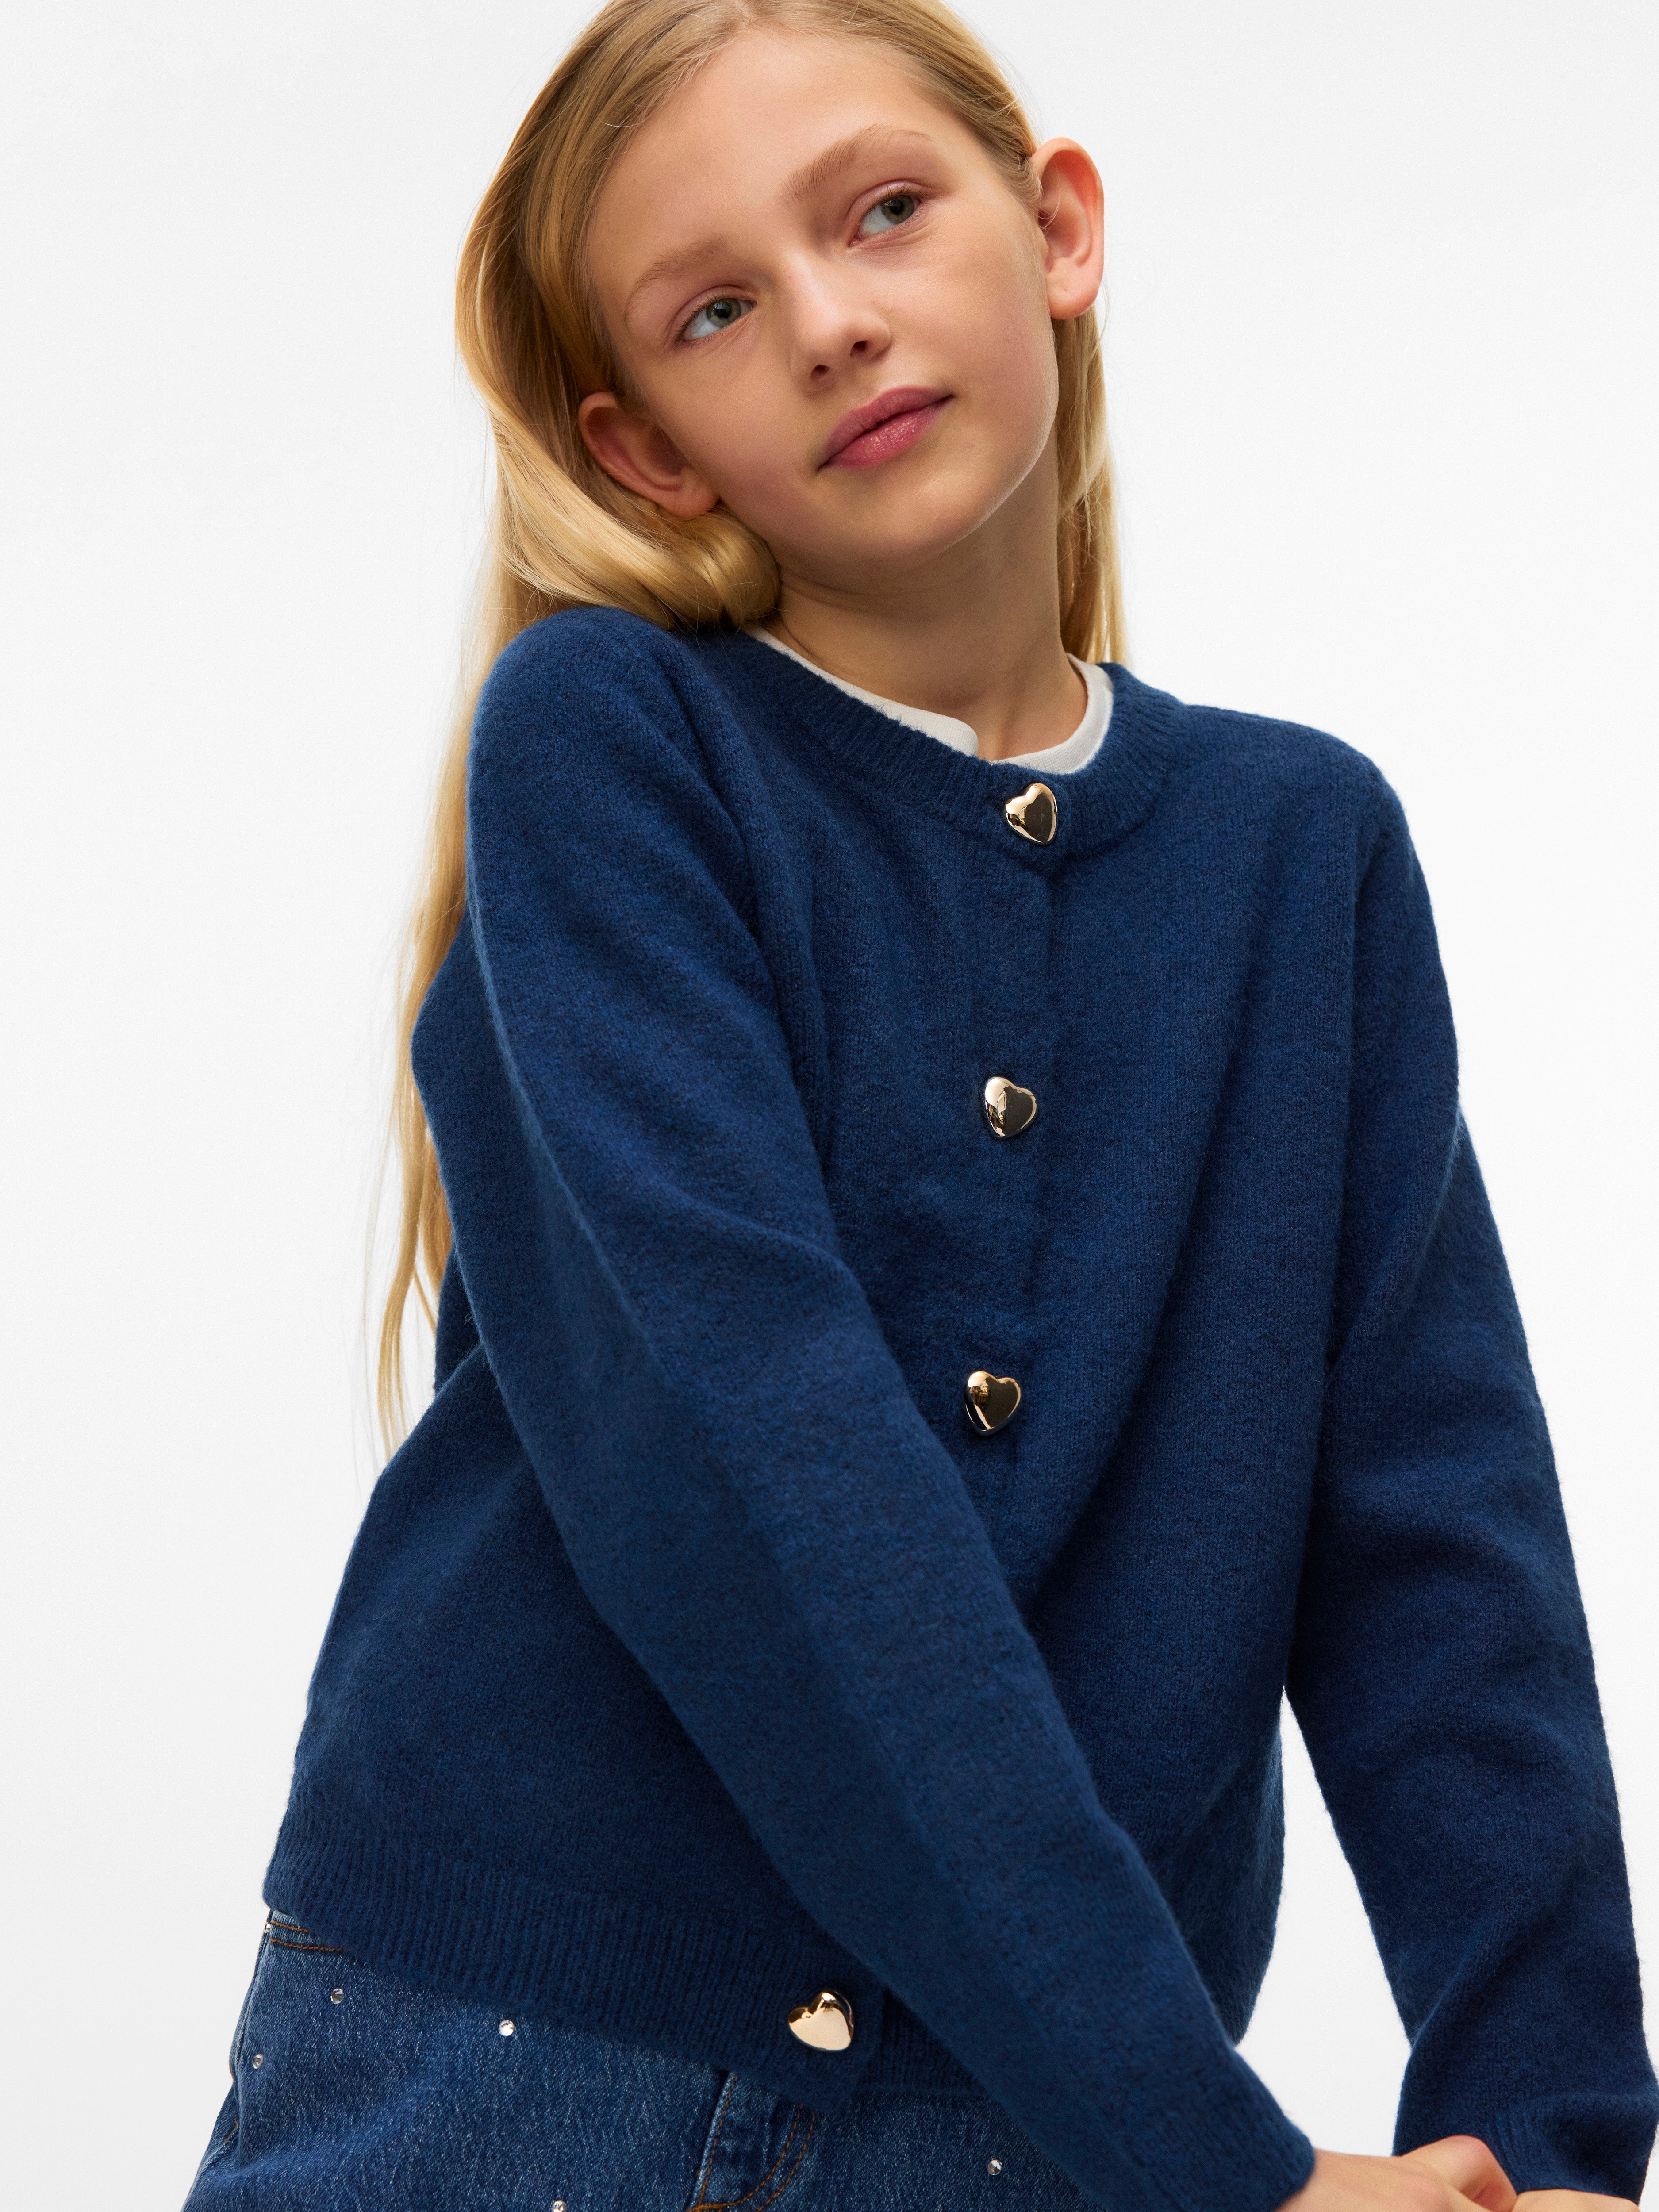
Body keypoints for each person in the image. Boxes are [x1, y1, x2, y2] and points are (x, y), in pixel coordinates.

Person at [179, 1, 1656, 2207]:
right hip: (520, 2062)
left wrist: (1553, 2138)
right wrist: (1215, 2161)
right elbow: (755, 1448)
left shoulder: (1297, 851)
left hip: (1021, 2134)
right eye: (712, 309)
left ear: (1053, 228)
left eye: (880, 211)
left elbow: (1434, 1540)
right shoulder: (609, 744)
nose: (828, 321)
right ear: (643, 449)